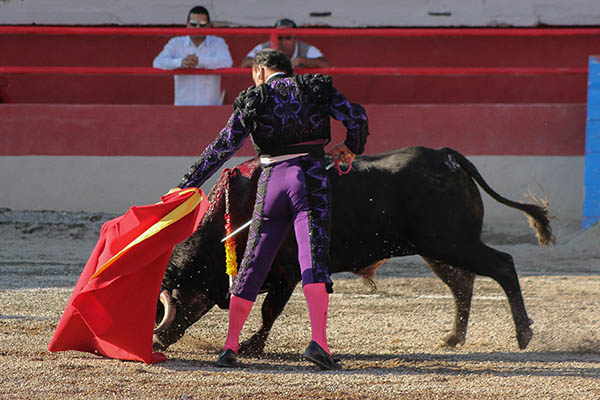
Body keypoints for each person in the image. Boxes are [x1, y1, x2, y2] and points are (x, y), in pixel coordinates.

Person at [173, 48, 368, 370]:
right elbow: (357, 116)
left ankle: (229, 346)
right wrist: (352, 146)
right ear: (287, 70)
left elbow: (223, 147)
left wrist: (187, 183)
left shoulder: (255, 97)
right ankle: (318, 342)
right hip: (309, 178)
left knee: (254, 259)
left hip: (271, 182)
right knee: (313, 257)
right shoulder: (314, 88)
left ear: (260, 71)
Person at [153, 6, 233, 106]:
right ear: (187, 25)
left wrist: (199, 61)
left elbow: (227, 62)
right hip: (182, 107)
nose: (197, 28)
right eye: (193, 24)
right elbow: (157, 62)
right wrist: (180, 62)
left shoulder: (218, 43)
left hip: (211, 107)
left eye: (202, 25)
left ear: (209, 25)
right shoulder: (176, 43)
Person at [240, 18, 329, 69]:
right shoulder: (266, 47)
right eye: (279, 38)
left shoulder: (306, 49)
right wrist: (264, 62)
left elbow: (325, 65)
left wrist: (301, 61)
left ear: (295, 38)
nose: (283, 42)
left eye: (288, 38)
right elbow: (244, 64)